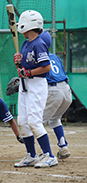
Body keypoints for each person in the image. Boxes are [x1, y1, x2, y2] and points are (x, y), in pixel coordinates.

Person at [13, 10, 58, 168]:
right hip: (25, 84)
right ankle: (31, 155)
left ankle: (49, 156)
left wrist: (28, 72)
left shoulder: (39, 43)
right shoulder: (26, 43)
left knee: (33, 121)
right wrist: (18, 64)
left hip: (37, 84)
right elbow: (23, 69)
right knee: (23, 121)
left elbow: (46, 67)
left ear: (28, 25)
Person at [39, 30, 72, 159]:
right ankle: (63, 146)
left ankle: (45, 152)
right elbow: (65, 77)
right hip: (67, 91)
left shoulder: (39, 57)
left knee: (38, 122)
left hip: (53, 91)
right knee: (55, 119)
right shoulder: (55, 57)